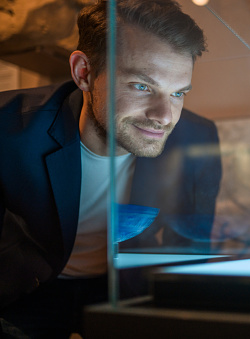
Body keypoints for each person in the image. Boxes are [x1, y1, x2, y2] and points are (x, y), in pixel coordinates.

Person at [0, 0, 221, 337]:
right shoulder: (9, 129)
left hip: (125, 287)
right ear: (84, 73)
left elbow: (189, 253)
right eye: (142, 86)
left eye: (178, 93)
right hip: (25, 288)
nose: (164, 116)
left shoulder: (197, 139)